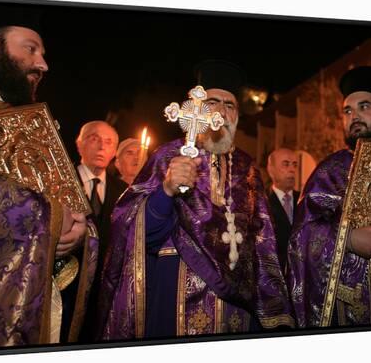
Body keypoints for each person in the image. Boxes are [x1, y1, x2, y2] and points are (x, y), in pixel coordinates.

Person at [97, 60, 294, 340]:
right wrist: (166, 190)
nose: (222, 112)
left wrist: (271, 312)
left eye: (230, 105)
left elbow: (264, 244)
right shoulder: (168, 156)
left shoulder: (247, 168)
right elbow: (137, 236)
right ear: (197, 108)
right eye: (213, 101)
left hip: (238, 306)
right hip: (176, 292)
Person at [0, 7, 91, 347]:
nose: (43, 64)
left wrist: (78, 231)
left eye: (42, 53)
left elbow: (69, 199)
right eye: (30, 48)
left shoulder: (29, 119)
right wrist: (53, 215)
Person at [287, 66, 371, 328]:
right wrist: (349, 240)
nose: (355, 116)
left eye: (364, 107)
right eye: (348, 111)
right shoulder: (328, 172)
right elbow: (301, 238)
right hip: (347, 313)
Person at [72, 120, 128, 341]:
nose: (102, 146)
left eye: (109, 142)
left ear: (115, 151)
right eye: (94, 139)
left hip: (103, 294)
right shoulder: (61, 181)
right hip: (64, 288)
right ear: (79, 144)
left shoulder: (124, 193)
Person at [266, 148, 300, 272]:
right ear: (271, 170)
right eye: (285, 164)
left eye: (294, 165)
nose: (292, 170)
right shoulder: (261, 203)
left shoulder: (305, 201)